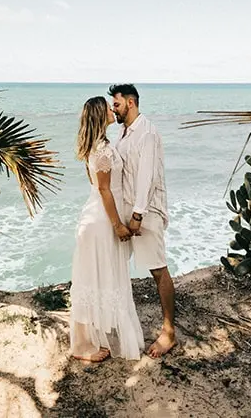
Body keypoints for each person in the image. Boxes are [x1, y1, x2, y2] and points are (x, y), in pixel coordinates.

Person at [69, 96, 145, 362]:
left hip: (98, 216)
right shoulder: (101, 150)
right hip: (100, 221)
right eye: (108, 108)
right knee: (90, 279)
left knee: (97, 277)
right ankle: (82, 346)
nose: (113, 110)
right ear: (100, 115)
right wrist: (117, 225)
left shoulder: (100, 145)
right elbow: (103, 189)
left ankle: (93, 336)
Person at [109, 84, 177, 358]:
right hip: (128, 212)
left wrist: (137, 216)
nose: (114, 108)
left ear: (131, 102)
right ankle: (116, 323)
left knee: (158, 269)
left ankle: (169, 332)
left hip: (146, 213)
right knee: (114, 265)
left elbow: (146, 178)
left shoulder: (147, 133)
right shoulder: (123, 133)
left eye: (116, 104)